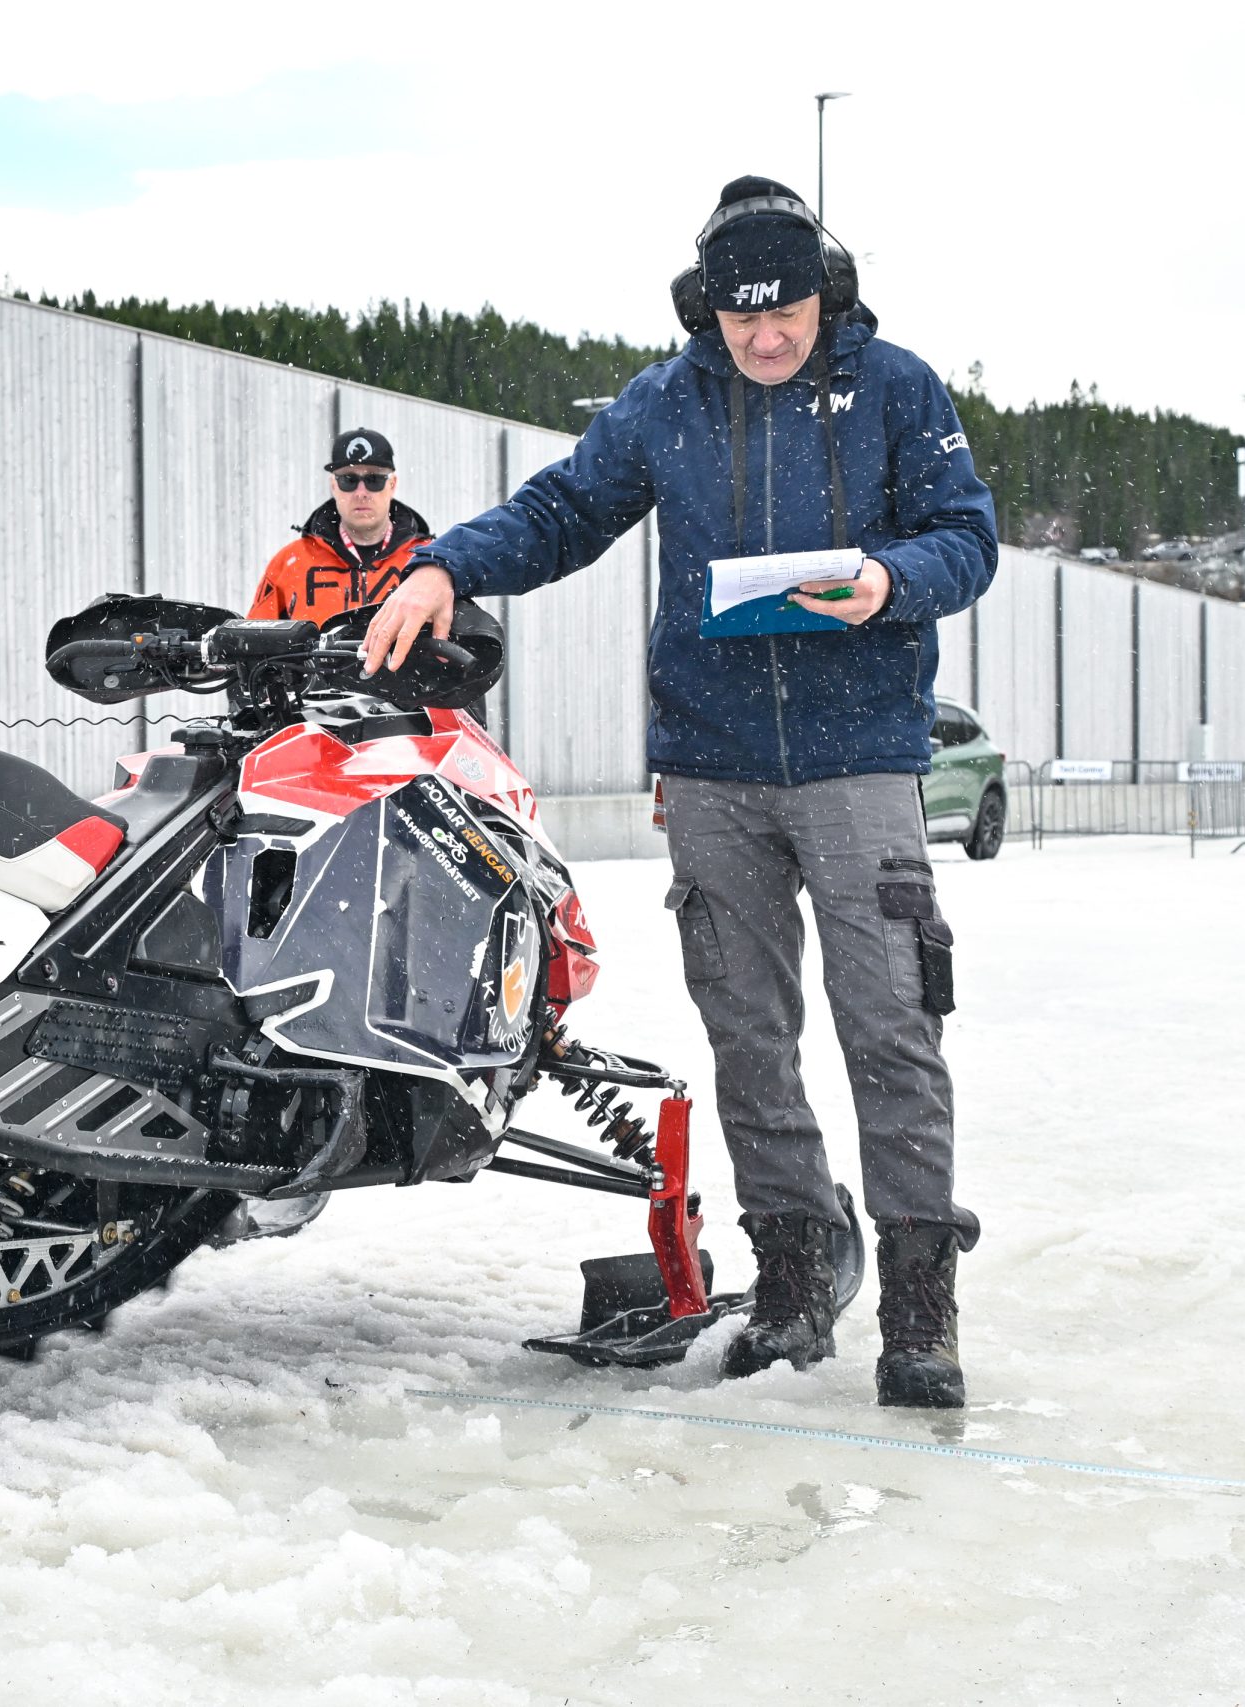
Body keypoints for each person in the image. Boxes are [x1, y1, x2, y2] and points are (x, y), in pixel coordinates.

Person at [363, 176, 997, 1409]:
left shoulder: (898, 390)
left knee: (890, 1025)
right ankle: (794, 1281)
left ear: (826, 295)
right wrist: (442, 566)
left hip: (859, 759)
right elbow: (562, 512)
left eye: (786, 314)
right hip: (712, 767)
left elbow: (966, 538)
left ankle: (921, 1308)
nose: (764, 339)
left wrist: (888, 579)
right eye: (740, 318)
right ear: (705, 308)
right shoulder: (667, 402)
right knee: (747, 1033)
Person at [248, 429, 434, 624]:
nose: (361, 493)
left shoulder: (427, 560)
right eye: (348, 480)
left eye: (374, 480)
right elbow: (254, 636)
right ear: (333, 486)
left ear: (392, 484)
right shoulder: (290, 562)